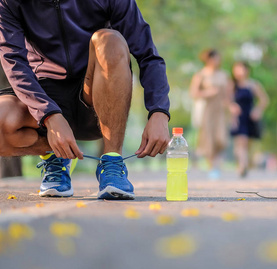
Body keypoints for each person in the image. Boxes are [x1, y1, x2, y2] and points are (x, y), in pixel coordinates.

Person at [0, 0, 171, 200]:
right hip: (45, 96)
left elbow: (148, 55)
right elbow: (14, 63)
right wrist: (49, 116)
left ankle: (112, 163)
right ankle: (55, 155)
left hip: (95, 96)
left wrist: (159, 111)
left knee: (110, 39)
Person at [189, 49, 235, 179]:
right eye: (215, 58)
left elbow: (229, 96)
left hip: (221, 111)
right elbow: (193, 93)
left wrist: (231, 107)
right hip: (207, 111)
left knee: (221, 139)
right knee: (208, 139)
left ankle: (217, 165)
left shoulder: (224, 75)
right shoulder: (201, 75)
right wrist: (207, 93)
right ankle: (213, 167)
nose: (218, 61)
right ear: (209, 59)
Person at [230, 61, 269, 177]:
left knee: (247, 144)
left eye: (241, 69)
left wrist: (258, 110)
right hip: (237, 117)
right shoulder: (232, 85)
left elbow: (264, 100)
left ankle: (243, 164)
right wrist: (232, 107)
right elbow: (226, 100)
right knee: (241, 140)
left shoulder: (253, 84)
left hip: (250, 116)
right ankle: (243, 165)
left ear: (247, 70)